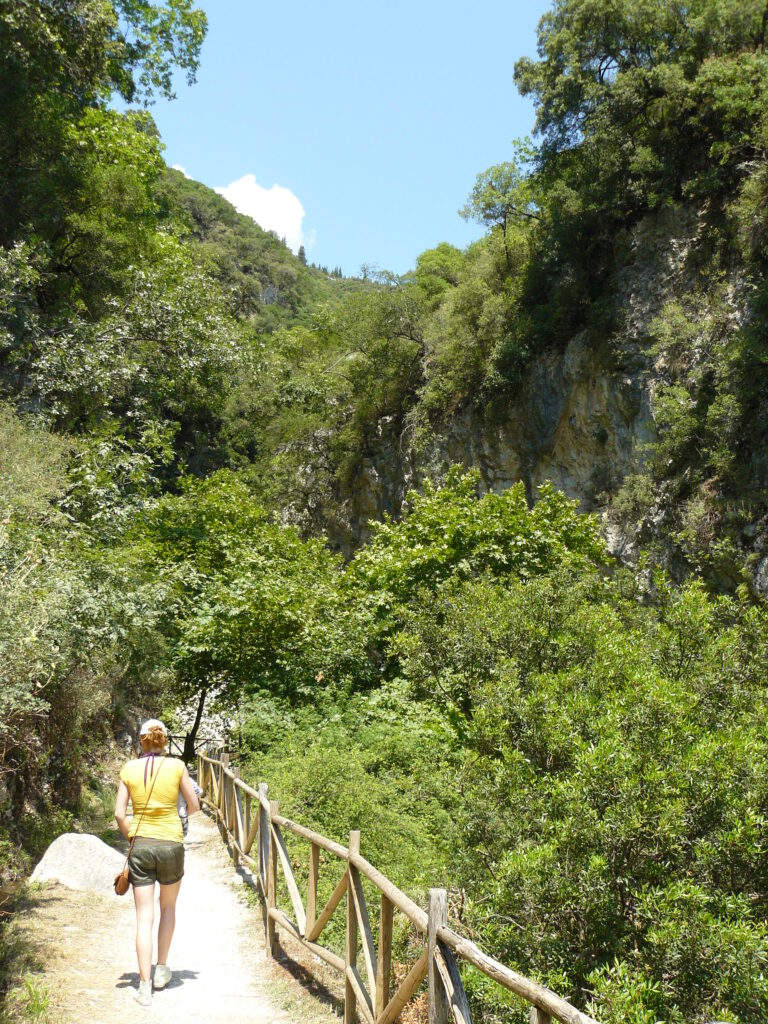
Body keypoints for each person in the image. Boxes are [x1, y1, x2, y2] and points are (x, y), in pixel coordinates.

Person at [114, 718, 200, 1008]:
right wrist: (178, 820)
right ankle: (162, 968)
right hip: (171, 844)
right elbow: (195, 805)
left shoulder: (128, 769)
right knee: (168, 907)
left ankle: (144, 985)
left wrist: (133, 839)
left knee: (144, 918)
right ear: (164, 741)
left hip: (141, 846)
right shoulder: (176, 766)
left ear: (141, 741)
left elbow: (119, 814)